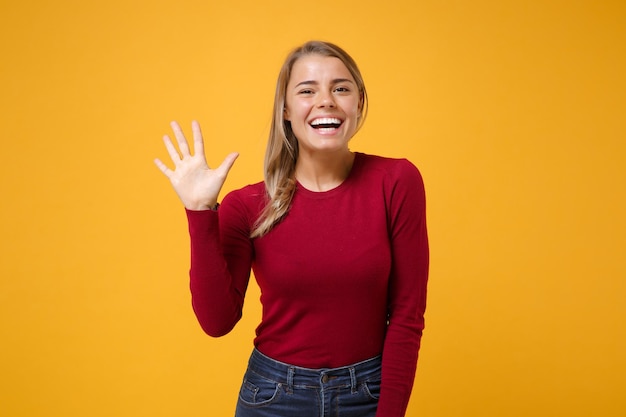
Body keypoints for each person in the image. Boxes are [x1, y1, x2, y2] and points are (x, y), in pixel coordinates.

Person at [154, 40, 429, 417]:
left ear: (359, 102)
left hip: (368, 393)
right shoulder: (246, 206)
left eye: (341, 88)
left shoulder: (396, 181)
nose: (327, 100)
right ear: (285, 109)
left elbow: (406, 316)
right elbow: (216, 322)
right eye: (307, 90)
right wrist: (200, 211)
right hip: (272, 397)